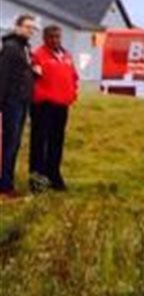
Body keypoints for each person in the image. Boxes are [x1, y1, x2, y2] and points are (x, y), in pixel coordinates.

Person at [29, 25, 79, 193]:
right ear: (44, 38)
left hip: (61, 105)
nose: (55, 40)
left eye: (58, 37)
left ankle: (54, 175)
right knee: (39, 142)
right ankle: (37, 179)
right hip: (43, 106)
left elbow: (73, 77)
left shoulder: (66, 56)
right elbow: (33, 79)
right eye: (51, 37)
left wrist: (72, 93)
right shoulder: (38, 56)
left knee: (56, 142)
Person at [0, 14, 37, 201]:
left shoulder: (25, 48)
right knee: (9, 143)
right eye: (27, 27)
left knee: (15, 144)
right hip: (12, 101)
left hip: (23, 100)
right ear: (17, 27)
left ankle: (8, 183)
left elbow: (23, 73)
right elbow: (3, 77)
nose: (30, 31)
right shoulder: (11, 48)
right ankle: (4, 186)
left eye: (32, 28)